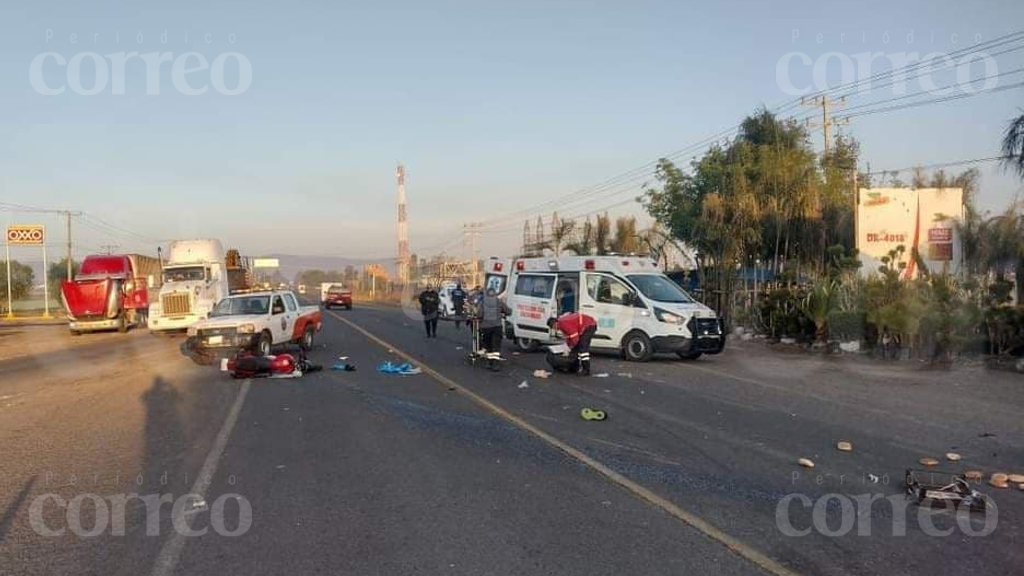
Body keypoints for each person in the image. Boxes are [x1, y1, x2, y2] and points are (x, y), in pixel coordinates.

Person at [546, 311, 598, 376]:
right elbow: (568, 337)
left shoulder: (563, 323)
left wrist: (570, 348)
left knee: (583, 348)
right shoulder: (561, 324)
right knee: (577, 348)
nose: (555, 330)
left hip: (589, 325)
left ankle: (586, 370)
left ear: (554, 324)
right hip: (585, 325)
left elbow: (574, 338)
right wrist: (568, 347)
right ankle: (575, 367)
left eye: (554, 328)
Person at [478, 286, 509, 371]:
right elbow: (508, 311)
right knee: (496, 346)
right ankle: (495, 364)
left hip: (486, 327)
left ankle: (489, 362)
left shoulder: (483, 303)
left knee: (488, 346)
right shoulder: (499, 302)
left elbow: (479, 314)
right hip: (497, 327)